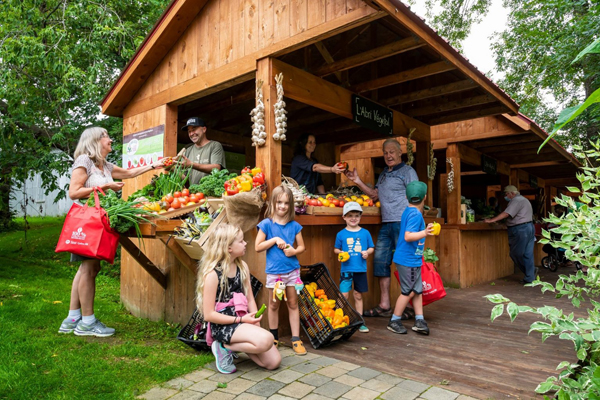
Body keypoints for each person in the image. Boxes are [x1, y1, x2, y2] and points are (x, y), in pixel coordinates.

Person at [59, 127, 166, 337]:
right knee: (89, 270)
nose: (110, 139)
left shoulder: (104, 165)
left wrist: (155, 165)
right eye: (106, 136)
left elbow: (130, 172)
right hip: (89, 223)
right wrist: (106, 187)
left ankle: (72, 318)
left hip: (99, 222)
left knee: (87, 269)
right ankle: (88, 322)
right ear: (96, 141)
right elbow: (74, 192)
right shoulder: (84, 161)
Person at [345, 138, 418, 319]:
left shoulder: (408, 172)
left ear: (400, 153)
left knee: (405, 264)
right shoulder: (384, 174)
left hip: (403, 223)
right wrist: (358, 181)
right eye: (385, 153)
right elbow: (375, 195)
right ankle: (385, 305)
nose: (388, 155)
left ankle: (411, 306)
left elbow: (416, 198)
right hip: (386, 223)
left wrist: (414, 223)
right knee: (380, 262)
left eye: (392, 152)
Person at [196, 224, 281, 374]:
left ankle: (231, 347)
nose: (245, 243)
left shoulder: (242, 267)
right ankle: (222, 347)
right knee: (266, 340)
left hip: (242, 320)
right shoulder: (213, 274)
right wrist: (241, 321)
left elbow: (249, 299)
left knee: (273, 362)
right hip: (223, 326)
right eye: (241, 241)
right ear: (229, 248)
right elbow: (209, 315)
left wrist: (256, 321)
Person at [255, 185, 307, 355]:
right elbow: (258, 246)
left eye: (286, 203)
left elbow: (302, 247)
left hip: (292, 271)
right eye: (279, 202)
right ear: (273, 203)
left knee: (292, 303)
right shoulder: (266, 224)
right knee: (273, 304)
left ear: (290, 204)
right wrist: (275, 239)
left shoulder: (294, 226)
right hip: (275, 273)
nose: (282, 206)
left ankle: (295, 339)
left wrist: (293, 251)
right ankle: (274, 337)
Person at [387, 181, 434, 336]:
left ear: (406, 197)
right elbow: (408, 236)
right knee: (408, 291)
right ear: (425, 197)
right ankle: (394, 320)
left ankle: (419, 319)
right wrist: (425, 233)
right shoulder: (414, 214)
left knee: (417, 290)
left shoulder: (409, 211)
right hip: (408, 260)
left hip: (411, 259)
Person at [334, 202, 375, 333]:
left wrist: (367, 252)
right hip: (346, 269)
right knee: (344, 295)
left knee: (358, 294)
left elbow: (371, 247)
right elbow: (336, 249)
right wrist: (340, 253)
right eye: (350, 215)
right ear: (344, 217)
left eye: (356, 215)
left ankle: (359, 320)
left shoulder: (365, 233)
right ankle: (337, 318)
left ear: (360, 217)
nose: (353, 218)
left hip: (360, 269)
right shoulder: (341, 234)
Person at [484, 185, 536, 284]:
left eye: (506, 194)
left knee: (515, 253)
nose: (506, 196)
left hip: (520, 229)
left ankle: (530, 272)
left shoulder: (516, 200)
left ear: (511, 193)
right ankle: (530, 276)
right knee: (527, 254)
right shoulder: (524, 200)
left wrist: (491, 220)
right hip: (529, 227)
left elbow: (506, 213)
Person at [179, 117, 226, 185]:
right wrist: (172, 169)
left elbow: (216, 168)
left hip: (210, 193)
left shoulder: (214, 145)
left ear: (204, 129)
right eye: (189, 131)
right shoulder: (188, 150)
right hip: (193, 194)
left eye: (194, 129)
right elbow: (185, 179)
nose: (191, 133)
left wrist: (192, 164)